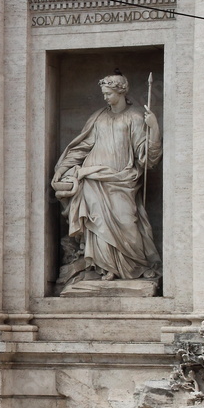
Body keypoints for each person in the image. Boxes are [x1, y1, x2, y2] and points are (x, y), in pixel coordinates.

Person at [53, 73, 162, 287]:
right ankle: (105, 268)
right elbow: (83, 147)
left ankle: (133, 265)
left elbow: (147, 156)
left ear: (121, 92)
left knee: (127, 221)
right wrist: (63, 167)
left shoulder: (136, 117)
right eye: (103, 93)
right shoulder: (98, 117)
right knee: (97, 223)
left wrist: (154, 128)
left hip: (122, 179)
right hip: (93, 178)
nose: (105, 98)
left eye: (109, 93)